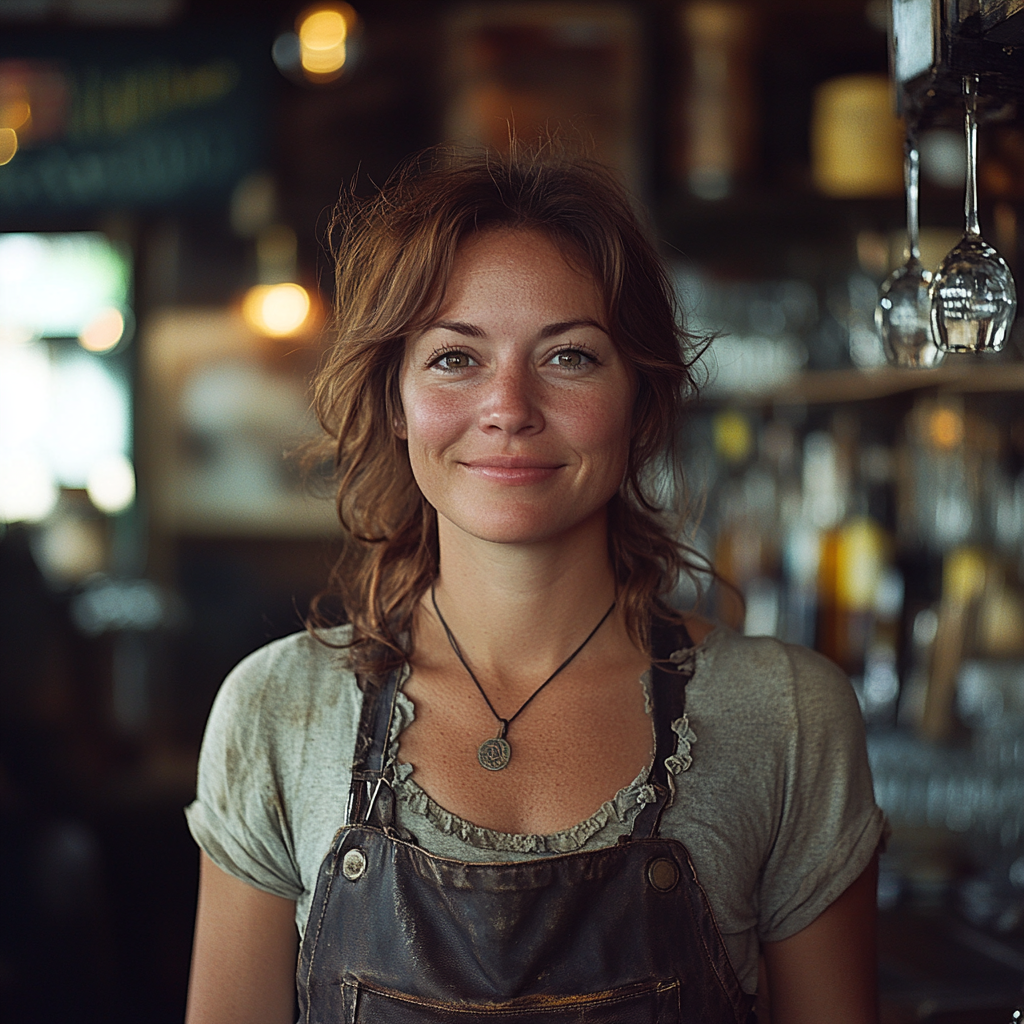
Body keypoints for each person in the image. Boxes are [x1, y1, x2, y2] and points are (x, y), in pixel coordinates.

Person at [184, 148, 885, 1024]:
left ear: (641, 400)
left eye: (570, 357)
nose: (509, 407)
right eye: (454, 359)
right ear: (396, 400)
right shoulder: (276, 709)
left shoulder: (784, 715)